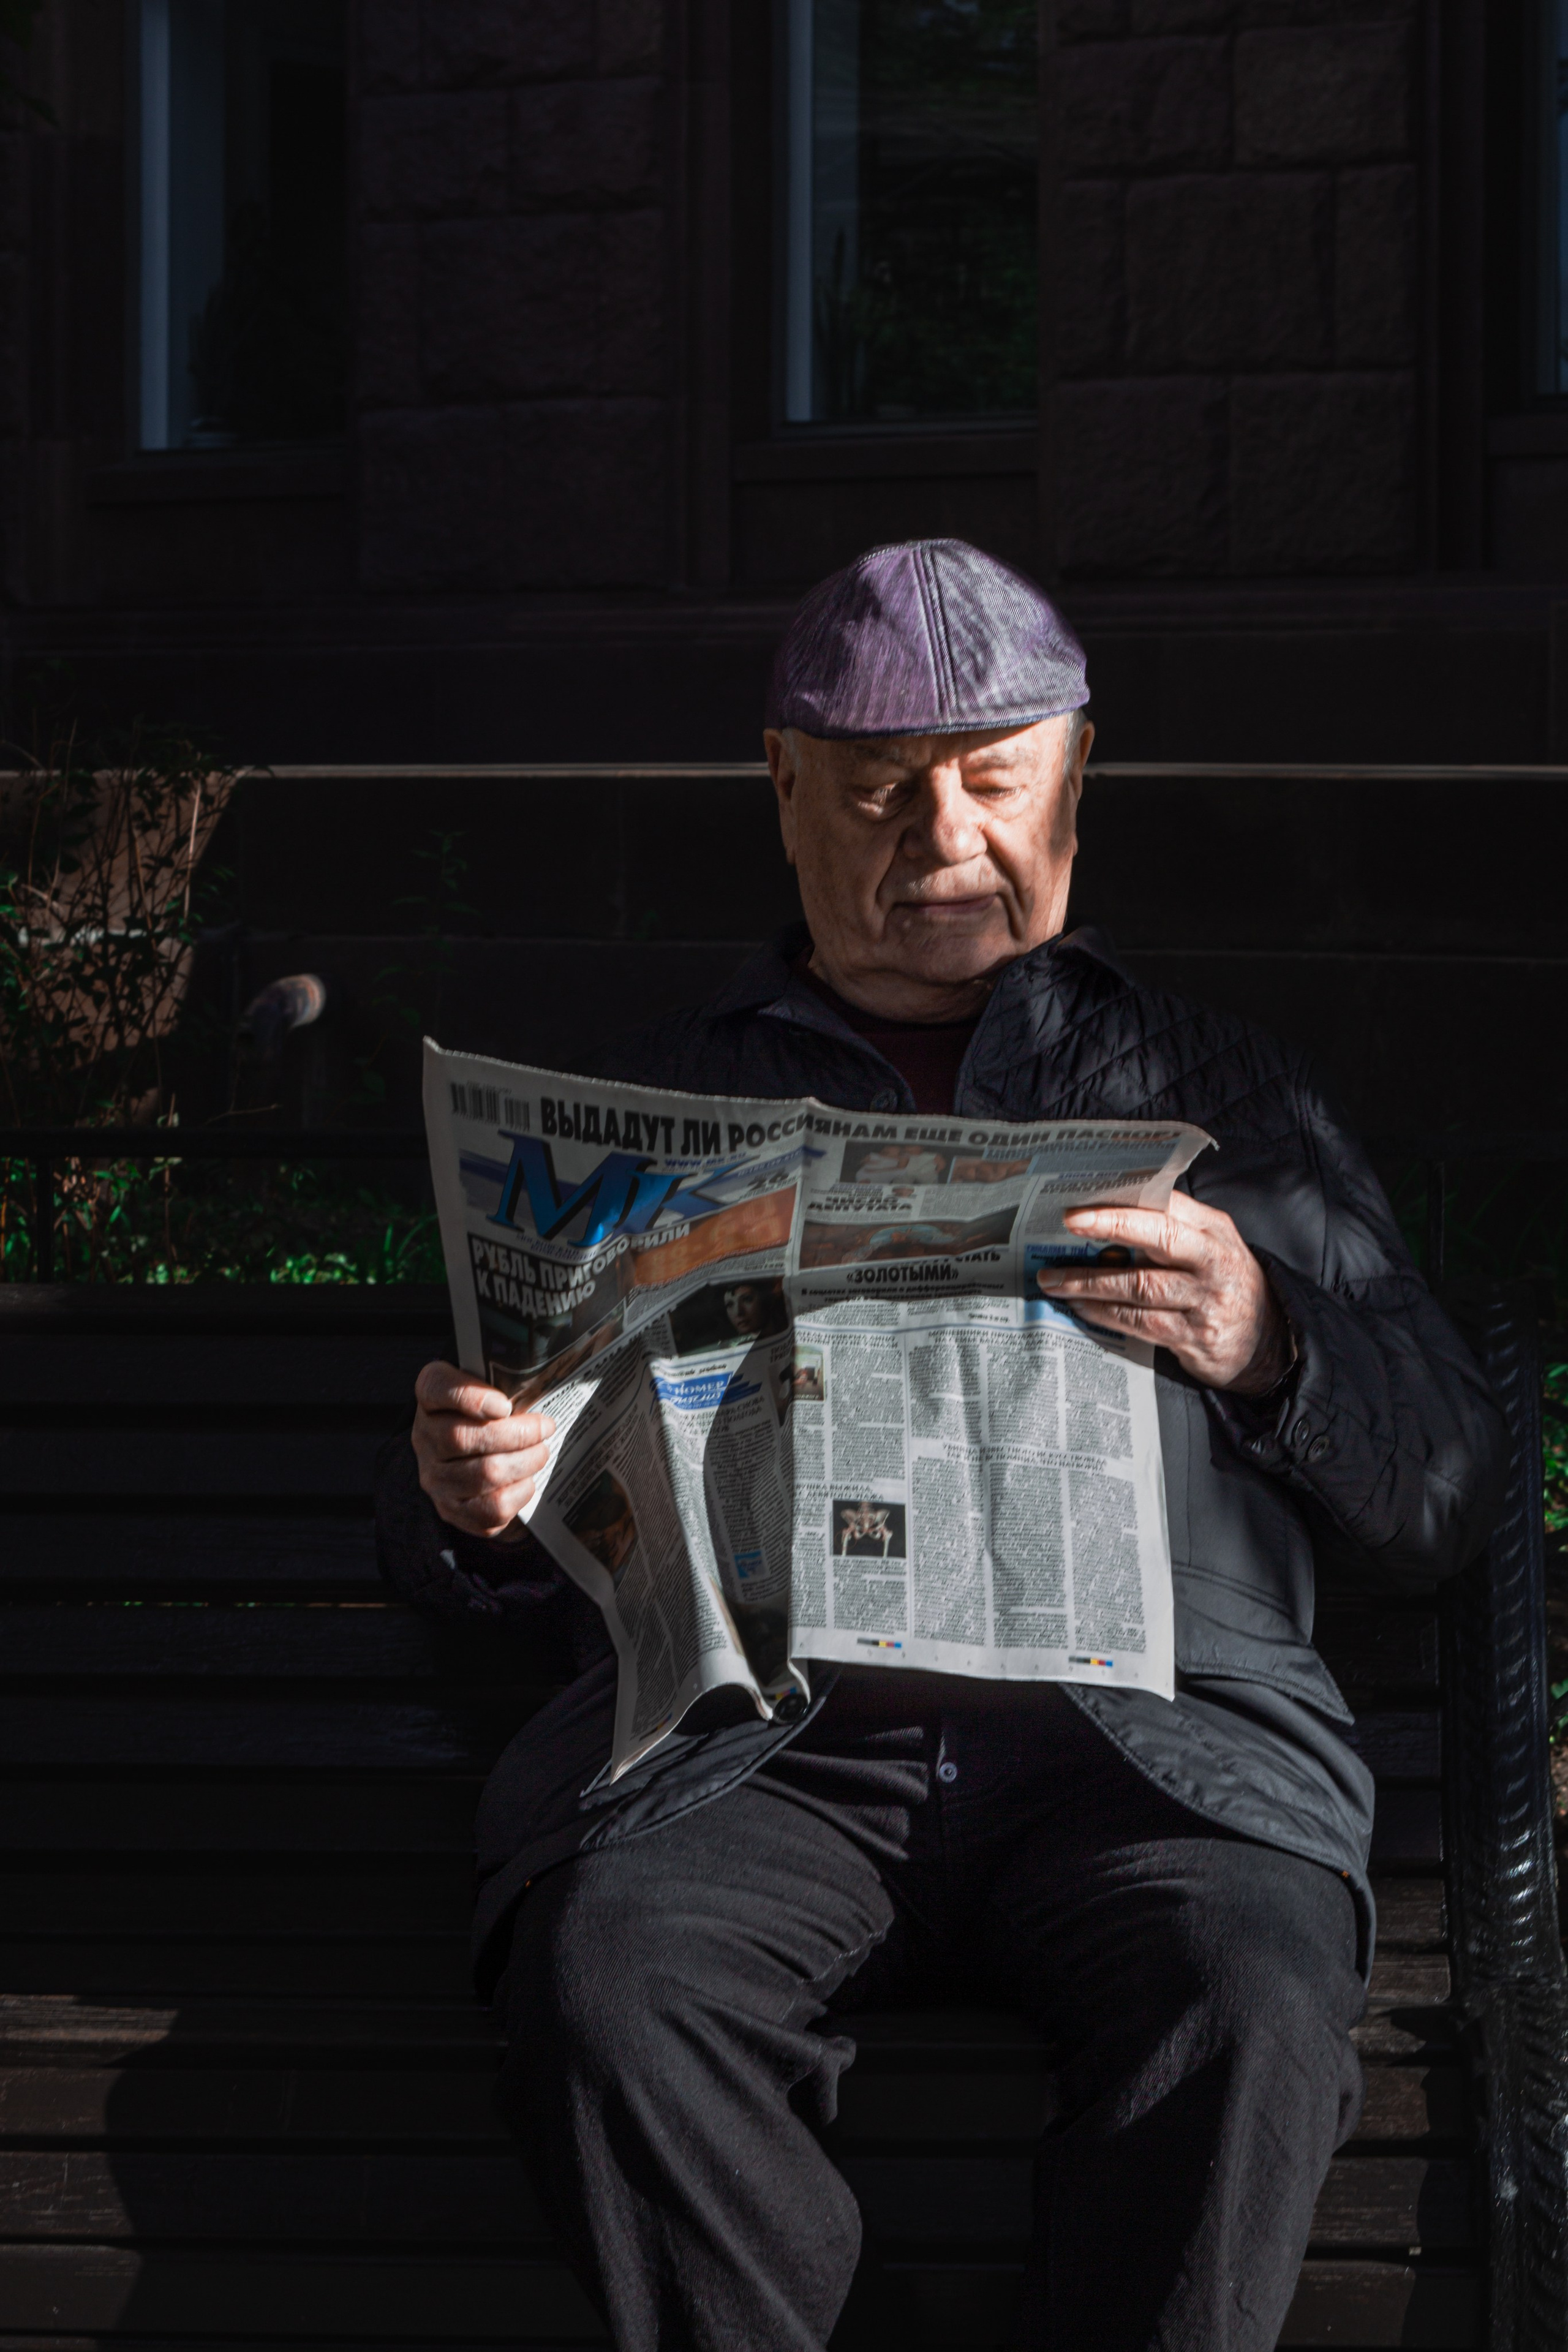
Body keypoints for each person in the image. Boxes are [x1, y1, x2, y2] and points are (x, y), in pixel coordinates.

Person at [377, 538, 1506, 2352]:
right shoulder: (644, 1112)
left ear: (1075, 782)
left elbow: (1450, 1486)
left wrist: (1267, 1336)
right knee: (611, 1979)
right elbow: (479, 1567)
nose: (945, 843)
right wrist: (475, 1503)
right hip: (757, 1762)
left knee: (1256, 1987)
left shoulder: (1231, 1100)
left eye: (996, 786)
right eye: (886, 796)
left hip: (1157, 1764)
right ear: (781, 786)